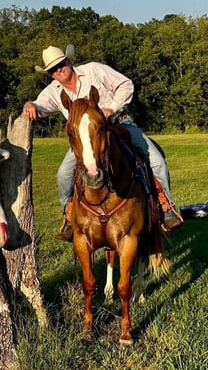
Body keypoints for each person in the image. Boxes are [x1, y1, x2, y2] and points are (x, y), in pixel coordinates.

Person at [22, 46, 181, 241]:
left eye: (61, 64)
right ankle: (69, 215)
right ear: (50, 74)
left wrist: (111, 108)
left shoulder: (93, 70)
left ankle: (166, 207)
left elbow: (126, 84)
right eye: (53, 69)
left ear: (69, 62)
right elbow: (38, 106)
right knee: (63, 173)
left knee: (156, 161)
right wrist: (29, 104)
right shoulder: (53, 92)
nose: (58, 70)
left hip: (118, 124)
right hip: (86, 139)